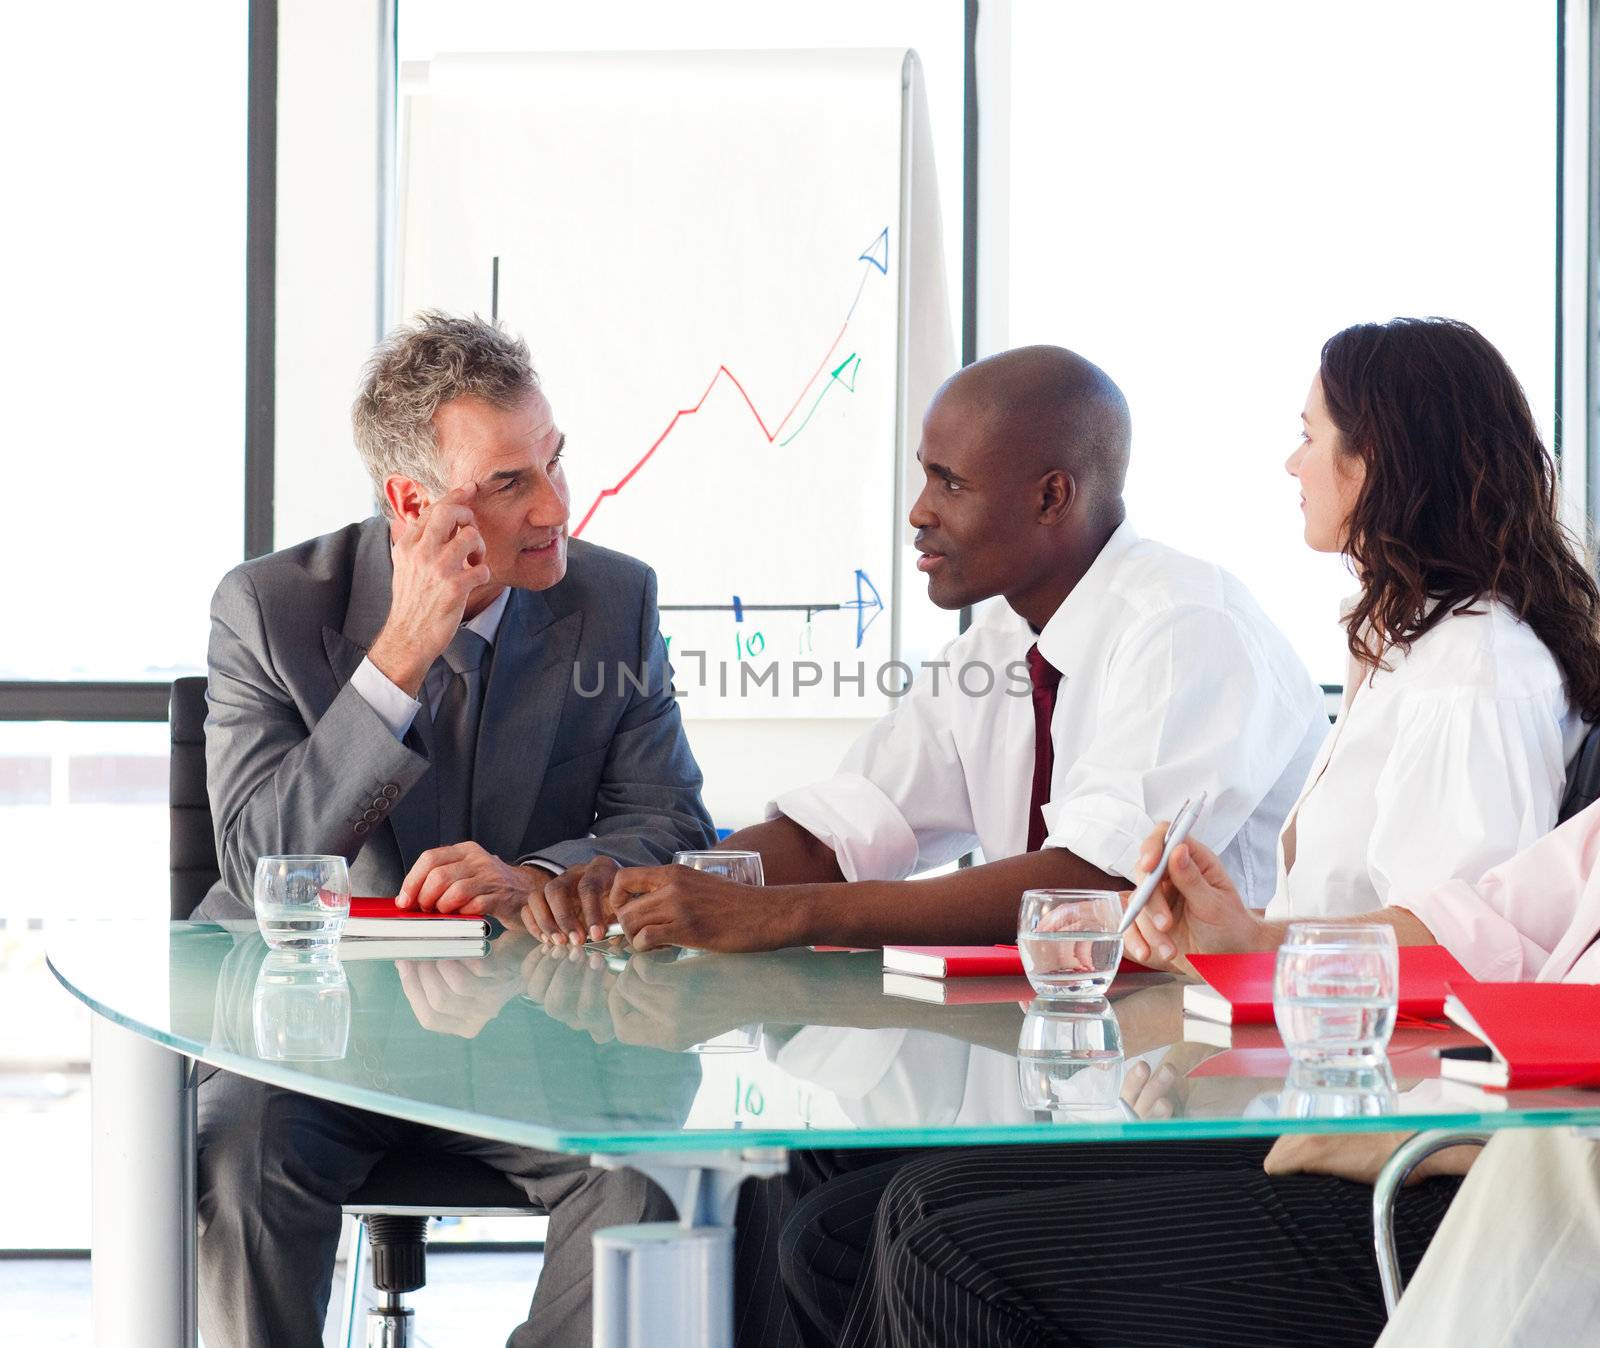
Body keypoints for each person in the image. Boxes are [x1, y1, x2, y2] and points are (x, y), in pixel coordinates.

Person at [780, 316, 1600, 1347]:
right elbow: (1462, 923)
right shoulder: (1413, 646)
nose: (1289, 460)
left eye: (1310, 434)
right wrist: (1244, 936)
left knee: (932, 1236)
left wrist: (1256, 955)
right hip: (1302, 1080)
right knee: (861, 1216)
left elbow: (1450, 990)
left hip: (1390, 1154)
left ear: (1375, 460)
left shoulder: (1471, 673)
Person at [194, 311, 716, 1348]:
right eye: (512, 482)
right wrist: (397, 659)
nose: (557, 506)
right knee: (234, 1161)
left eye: (554, 461)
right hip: (317, 1040)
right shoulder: (269, 608)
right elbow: (264, 869)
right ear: (411, 500)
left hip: (547, 1032)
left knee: (658, 1174)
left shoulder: (616, 601)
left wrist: (534, 876)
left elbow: (669, 821)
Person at [547, 343, 1329, 956]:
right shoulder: (1000, 643)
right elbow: (845, 832)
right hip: (1055, 1053)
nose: (919, 511)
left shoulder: (1188, 627)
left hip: (1190, 1077)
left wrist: (777, 914)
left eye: (951, 484)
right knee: (809, 1165)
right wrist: (646, 890)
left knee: (901, 1172)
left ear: (1052, 496)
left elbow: (1090, 887)